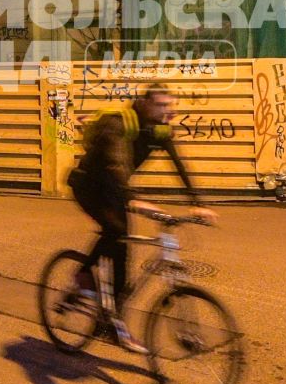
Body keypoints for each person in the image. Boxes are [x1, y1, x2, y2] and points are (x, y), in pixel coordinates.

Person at [66, 85, 214, 351]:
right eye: (161, 105)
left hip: (116, 190)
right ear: (144, 103)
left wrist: (197, 204)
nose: (168, 111)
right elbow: (115, 161)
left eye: (171, 106)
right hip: (89, 186)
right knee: (114, 230)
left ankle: (113, 323)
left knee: (124, 254)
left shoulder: (160, 129)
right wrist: (132, 197)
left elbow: (179, 163)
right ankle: (83, 274)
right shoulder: (118, 123)